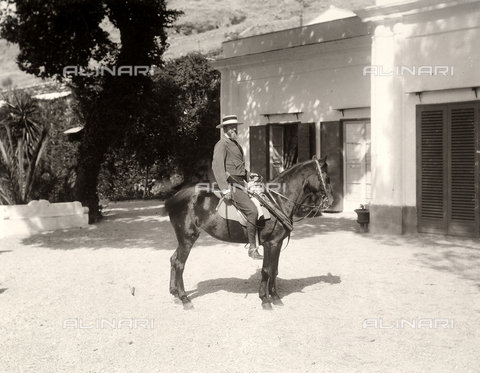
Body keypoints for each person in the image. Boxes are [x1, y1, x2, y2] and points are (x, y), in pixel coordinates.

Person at [212, 115, 263, 260]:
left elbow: (239, 169)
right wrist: (225, 188)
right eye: (231, 127)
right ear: (225, 129)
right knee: (252, 211)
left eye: (235, 126)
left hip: (241, 183)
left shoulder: (236, 145)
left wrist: (249, 175)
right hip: (231, 185)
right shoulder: (222, 144)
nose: (234, 128)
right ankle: (252, 248)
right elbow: (217, 167)